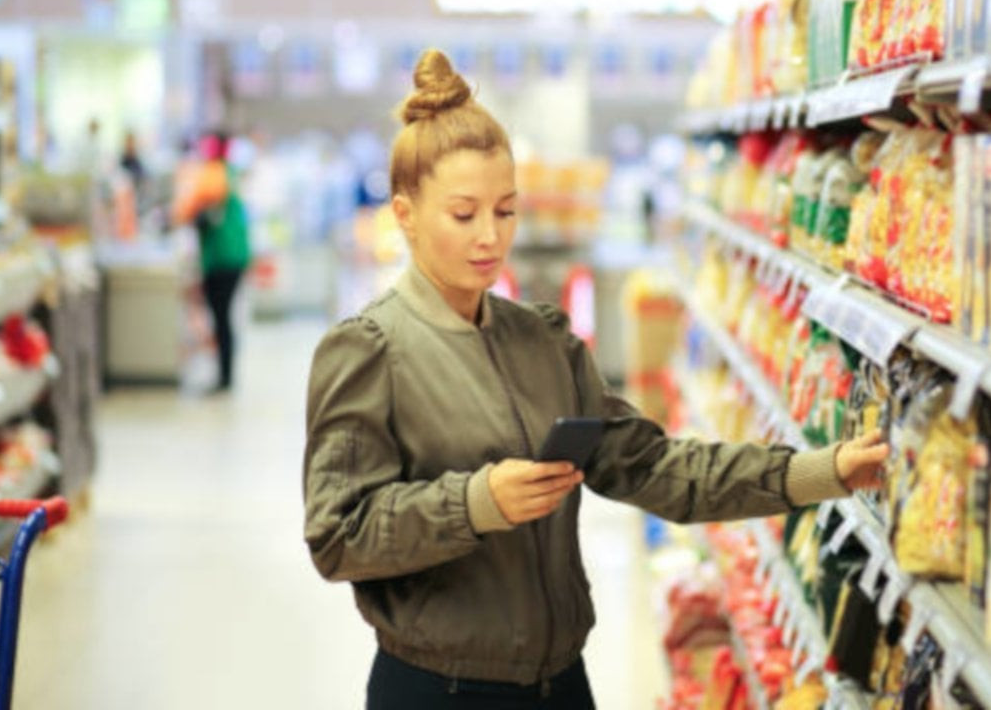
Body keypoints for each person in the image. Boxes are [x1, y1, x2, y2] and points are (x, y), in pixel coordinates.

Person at [302, 49, 889, 710]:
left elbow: (657, 468)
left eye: (505, 210)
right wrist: (474, 502)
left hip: (562, 686)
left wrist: (823, 472)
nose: (490, 236)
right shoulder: (368, 352)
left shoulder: (544, 341)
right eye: (463, 215)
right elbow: (337, 536)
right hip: (441, 689)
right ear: (405, 215)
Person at [171, 131, 252, 393]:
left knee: (221, 317)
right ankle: (225, 374)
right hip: (232, 255)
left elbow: (190, 212)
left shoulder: (214, 174)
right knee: (223, 317)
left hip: (222, 257)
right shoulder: (229, 173)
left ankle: (225, 377)